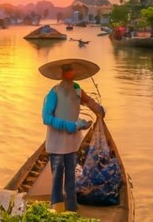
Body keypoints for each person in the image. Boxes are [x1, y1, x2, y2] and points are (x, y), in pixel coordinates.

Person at [39, 58, 105, 212]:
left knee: (71, 177)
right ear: (62, 73)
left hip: (72, 143)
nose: (70, 72)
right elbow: (47, 118)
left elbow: (89, 102)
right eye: (67, 69)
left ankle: (71, 209)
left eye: (72, 69)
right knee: (57, 177)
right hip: (56, 143)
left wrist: (99, 110)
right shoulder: (54, 92)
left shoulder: (77, 89)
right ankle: (56, 209)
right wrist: (73, 125)